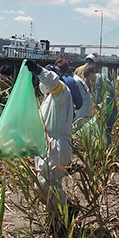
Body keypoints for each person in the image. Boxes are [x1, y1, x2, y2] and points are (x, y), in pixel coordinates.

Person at [25, 59, 73, 215]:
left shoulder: (61, 91)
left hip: (56, 146)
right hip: (46, 145)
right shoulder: (48, 98)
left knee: (48, 185)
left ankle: (62, 217)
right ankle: (52, 217)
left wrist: (39, 70)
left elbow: (53, 82)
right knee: (43, 184)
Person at [83, 66, 118, 145]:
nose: (89, 80)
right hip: (102, 109)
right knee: (102, 129)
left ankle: (107, 147)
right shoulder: (97, 81)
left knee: (107, 129)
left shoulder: (102, 78)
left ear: (91, 73)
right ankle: (104, 146)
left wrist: (103, 104)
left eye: (89, 77)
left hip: (108, 109)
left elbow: (111, 93)